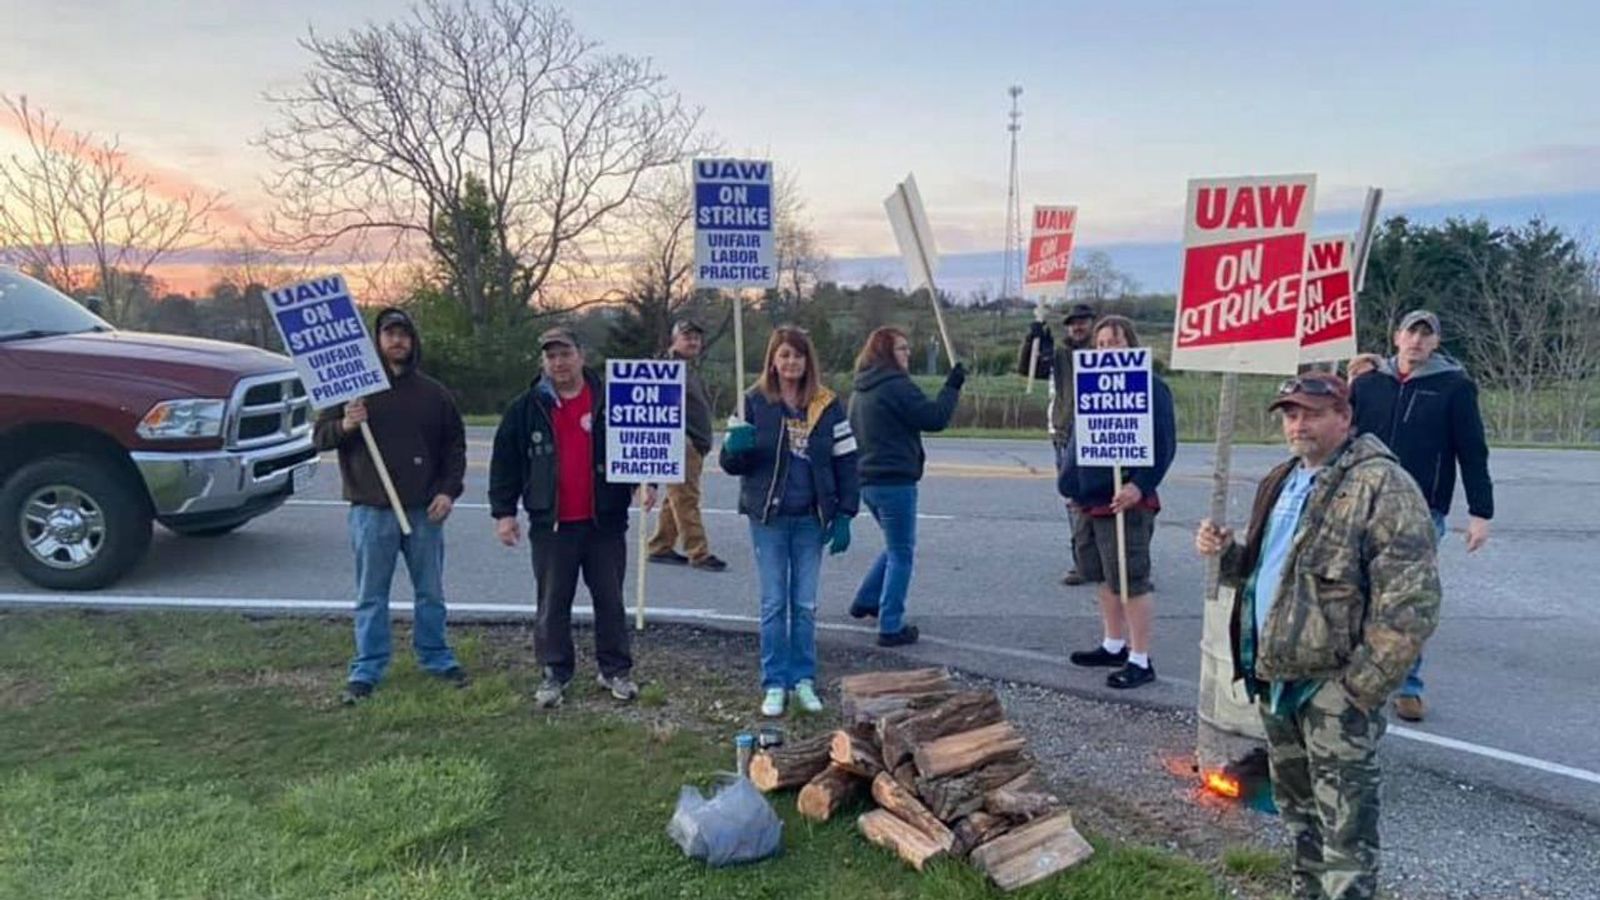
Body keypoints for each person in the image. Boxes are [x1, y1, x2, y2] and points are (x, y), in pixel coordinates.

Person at [1196, 372, 1439, 900]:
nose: (1297, 424)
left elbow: (1412, 602)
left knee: (1345, 832)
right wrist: (1228, 555)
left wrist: (1360, 689)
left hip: (1335, 689)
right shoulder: (1283, 478)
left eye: (1311, 413)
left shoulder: (1382, 484)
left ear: (1344, 418)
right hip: (1279, 678)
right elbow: (1270, 575)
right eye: (1289, 414)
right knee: (1298, 819)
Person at [488, 326, 654, 709]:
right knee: (552, 602)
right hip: (552, 525)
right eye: (551, 356)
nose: (559, 362)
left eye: (565, 353)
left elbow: (644, 442)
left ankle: (615, 670)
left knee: (610, 600)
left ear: (581, 355)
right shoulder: (526, 408)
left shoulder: (614, 400)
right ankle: (554, 672)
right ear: (544, 362)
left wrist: (647, 482)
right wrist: (504, 513)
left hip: (605, 522)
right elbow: (505, 465)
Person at [313, 307, 468, 705]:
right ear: (377, 340)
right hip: (370, 510)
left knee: (430, 592)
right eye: (389, 334)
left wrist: (448, 492)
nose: (397, 340)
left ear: (413, 341)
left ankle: (436, 657)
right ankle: (367, 667)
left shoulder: (434, 394)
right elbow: (320, 437)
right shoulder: (350, 393)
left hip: (424, 511)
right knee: (371, 595)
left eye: (403, 334)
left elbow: (455, 449)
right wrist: (347, 424)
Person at [1350, 309, 1493, 723]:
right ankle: (1356, 676)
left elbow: (1472, 451)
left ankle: (1408, 687)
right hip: (1364, 503)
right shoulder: (1369, 383)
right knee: (1354, 592)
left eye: (1425, 335)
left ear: (1435, 343)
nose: (1417, 341)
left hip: (1420, 510)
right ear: (1397, 337)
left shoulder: (1454, 387)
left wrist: (1481, 512)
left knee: (1407, 601)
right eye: (1411, 332)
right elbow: (1343, 437)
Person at [721, 327, 860, 716]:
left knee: (804, 602)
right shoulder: (752, 401)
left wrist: (846, 512)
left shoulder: (827, 404)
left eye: (798, 356)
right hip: (769, 517)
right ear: (773, 359)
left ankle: (803, 678)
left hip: (810, 519)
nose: (791, 363)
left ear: (807, 360)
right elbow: (731, 464)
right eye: (784, 355)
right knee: (773, 602)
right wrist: (735, 449)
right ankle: (774, 682)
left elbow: (847, 461)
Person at [1058, 316, 1176, 689]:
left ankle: (1140, 658)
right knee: (1105, 577)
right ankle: (1113, 643)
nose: (1108, 350)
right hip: (1089, 498)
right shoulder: (1090, 387)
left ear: (1132, 345)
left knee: (1131, 580)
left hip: (1127, 500)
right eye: (1102, 344)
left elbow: (1164, 445)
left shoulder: (1151, 387)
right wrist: (1072, 485)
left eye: (1116, 342)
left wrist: (1139, 486)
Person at [847, 327, 965, 646]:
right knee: (902, 553)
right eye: (901, 349)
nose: (907, 354)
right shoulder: (896, 386)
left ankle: (867, 599)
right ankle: (891, 624)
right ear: (886, 353)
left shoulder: (861, 388)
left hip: (868, 480)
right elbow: (934, 417)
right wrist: (952, 386)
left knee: (894, 545)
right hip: (895, 480)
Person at [1020, 303, 1098, 585]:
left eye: (1083, 321)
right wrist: (1034, 339)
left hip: (1101, 435)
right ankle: (1082, 562)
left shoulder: (1104, 353)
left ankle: (1113, 559)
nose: (1077, 327)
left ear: (1092, 323)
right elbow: (1030, 369)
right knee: (1075, 501)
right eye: (1072, 322)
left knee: (1105, 499)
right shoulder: (1060, 355)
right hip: (1066, 435)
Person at [647, 318, 727, 571]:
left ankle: (661, 546)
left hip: (694, 443)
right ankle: (698, 552)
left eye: (696, 337)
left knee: (676, 499)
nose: (693, 341)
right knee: (687, 499)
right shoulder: (667, 368)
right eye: (686, 336)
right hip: (681, 443)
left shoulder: (687, 367)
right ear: (674, 340)